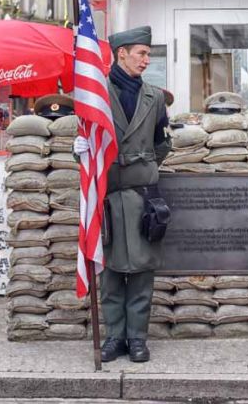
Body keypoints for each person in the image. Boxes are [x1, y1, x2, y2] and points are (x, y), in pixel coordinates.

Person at [74, 25, 171, 364]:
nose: (147, 60)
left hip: (142, 196)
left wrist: (142, 167)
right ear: (122, 54)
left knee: (142, 271)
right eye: (142, 53)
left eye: (148, 54)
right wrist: (82, 151)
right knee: (111, 272)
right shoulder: (95, 94)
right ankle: (115, 337)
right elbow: (86, 136)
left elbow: (163, 143)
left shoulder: (155, 97)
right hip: (108, 194)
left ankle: (137, 338)